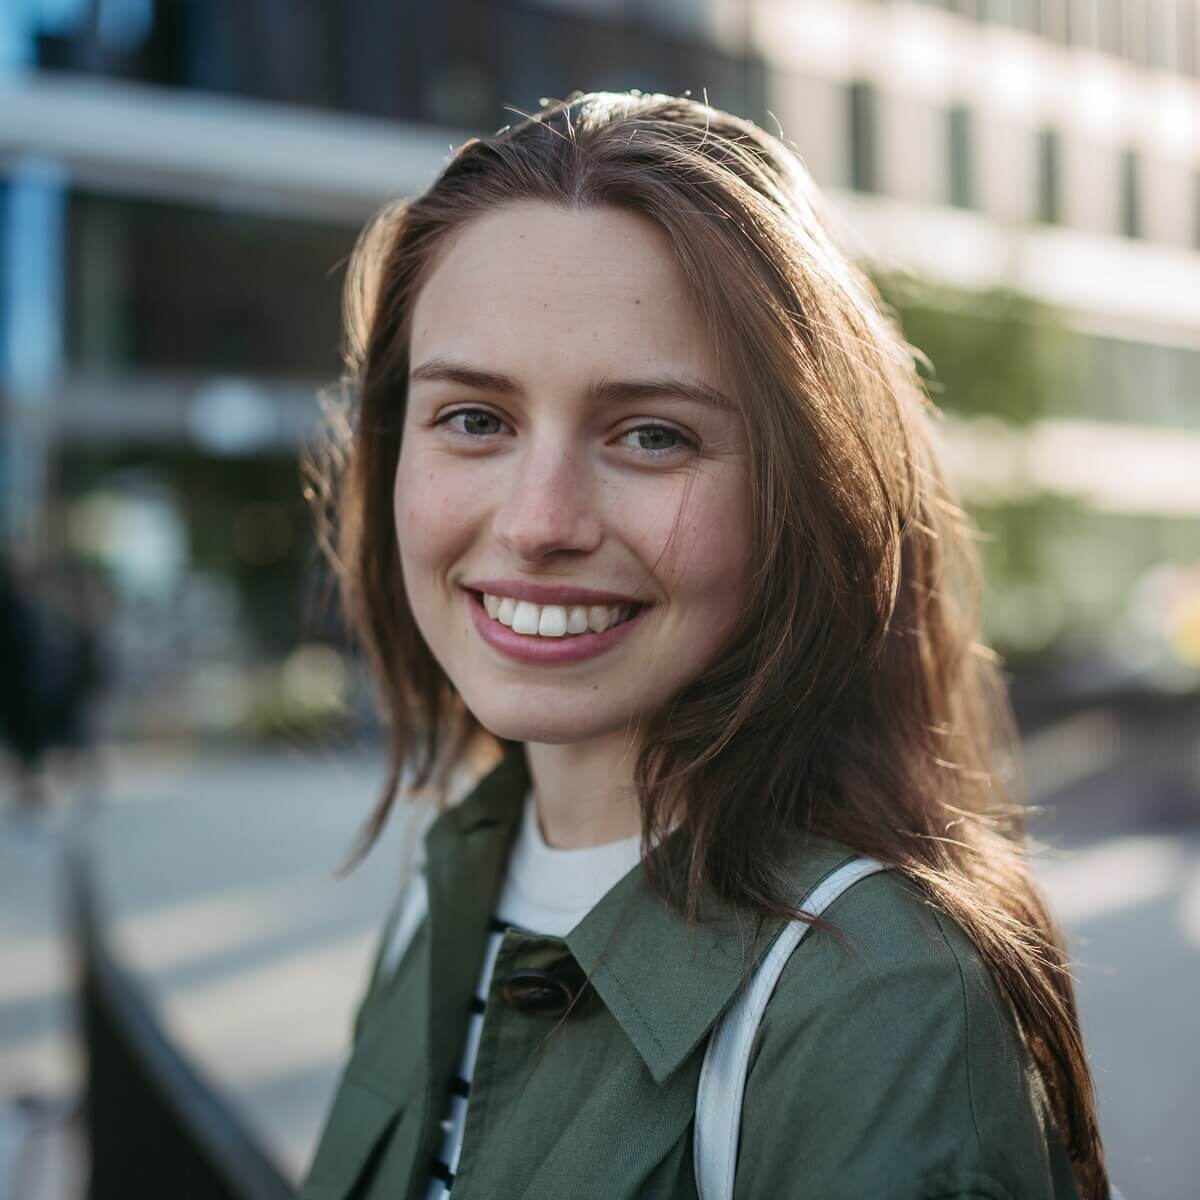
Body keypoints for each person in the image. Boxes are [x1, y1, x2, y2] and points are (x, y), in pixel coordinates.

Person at [300, 92, 1110, 1200]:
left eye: (652, 435)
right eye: (475, 419)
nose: (540, 521)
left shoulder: (873, 1005)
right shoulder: (449, 891)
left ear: (805, 492)